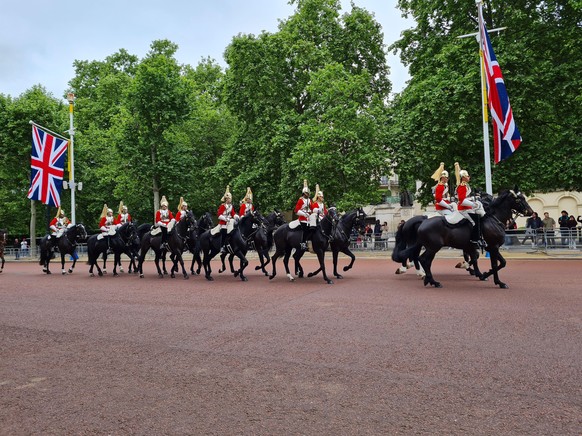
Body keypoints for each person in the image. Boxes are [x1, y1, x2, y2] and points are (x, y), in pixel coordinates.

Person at [454, 162, 485, 247]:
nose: (469, 177)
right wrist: (473, 204)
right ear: (463, 178)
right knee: (474, 222)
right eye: (467, 176)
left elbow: (465, 197)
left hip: (467, 207)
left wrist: (473, 199)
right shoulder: (462, 186)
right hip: (463, 209)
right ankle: (474, 240)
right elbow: (462, 200)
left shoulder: (465, 185)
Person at [218, 185, 238, 253]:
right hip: (223, 223)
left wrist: (236, 216)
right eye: (229, 199)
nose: (230, 200)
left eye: (230, 198)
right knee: (224, 232)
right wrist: (226, 219)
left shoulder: (231, 206)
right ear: (226, 199)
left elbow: (233, 213)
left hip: (229, 222)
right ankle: (222, 246)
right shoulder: (222, 206)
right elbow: (219, 215)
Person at [294, 179, 312, 251]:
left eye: (308, 193)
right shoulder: (300, 200)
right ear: (304, 193)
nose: (308, 194)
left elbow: (312, 208)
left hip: (309, 218)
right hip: (303, 218)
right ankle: (303, 243)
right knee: (305, 230)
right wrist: (304, 214)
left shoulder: (310, 200)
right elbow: (296, 210)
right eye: (307, 193)